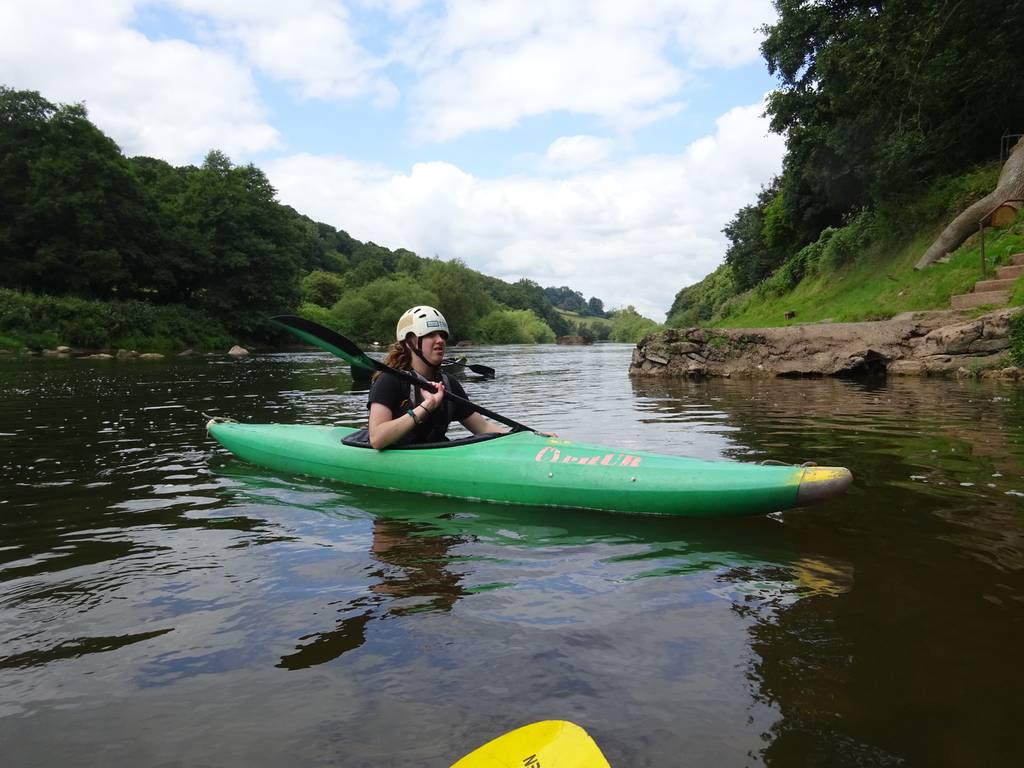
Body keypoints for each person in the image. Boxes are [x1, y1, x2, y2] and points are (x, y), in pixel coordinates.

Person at [366, 306, 510, 449]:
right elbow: (377, 439)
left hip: (435, 458)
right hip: (396, 459)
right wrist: (426, 407)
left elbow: (483, 427)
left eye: (442, 335)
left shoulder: (448, 383)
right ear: (409, 342)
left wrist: (520, 439)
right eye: (430, 334)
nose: (440, 340)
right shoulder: (389, 380)